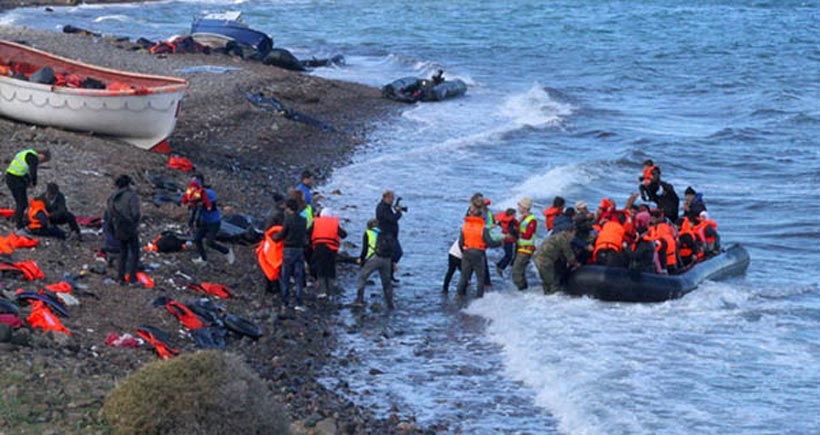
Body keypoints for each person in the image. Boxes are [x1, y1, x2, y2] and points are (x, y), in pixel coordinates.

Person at [455, 207, 501, 298]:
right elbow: (490, 242)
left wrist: (464, 252)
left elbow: (460, 243)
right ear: (481, 216)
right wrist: (500, 243)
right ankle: (479, 298)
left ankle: (459, 294)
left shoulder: (465, 226)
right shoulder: (483, 228)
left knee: (464, 276)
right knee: (480, 278)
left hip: (467, 252)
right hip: (478, 253)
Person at [105, 174, 141, 286]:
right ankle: (132, 278)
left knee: (123, 251)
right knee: (135, 252)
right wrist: (134, 223)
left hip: (118, 227)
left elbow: (108, 213)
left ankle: (120, 277)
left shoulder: (112, 196)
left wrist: (111, 227)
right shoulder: (131, 196)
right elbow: (135, 213)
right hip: (129, 226)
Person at [272, 198, 307, 309]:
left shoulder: (288, 220)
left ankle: (285, 300)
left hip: (288, 249)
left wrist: (274, 237)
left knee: (285, 275)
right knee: (298, 275)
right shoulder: (303, 220)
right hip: (300, 249)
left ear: (289, 208)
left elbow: (282, 234)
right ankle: (299, 301)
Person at [6, 148, 50, 230]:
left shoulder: (26, 153)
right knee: (22, 203)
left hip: (11, 177)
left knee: (20, 202)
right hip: (15, 180)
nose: (40, 162)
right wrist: (33, 182)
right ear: (42, 155)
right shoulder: (33, 157)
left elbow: (23, 170)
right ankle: (19, 225)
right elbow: (33, 171)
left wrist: (28, 181)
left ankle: (15, 218)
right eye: (43, 160)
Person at [191, 183, 235, 265]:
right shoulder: (196, 193)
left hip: (214, 222)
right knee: (197, 238)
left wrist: (202, 204)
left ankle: (227, 251)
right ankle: (203, 259)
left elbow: (213, 205)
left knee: (210, 242)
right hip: (204, 221)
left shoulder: (209, 193)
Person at [309, 207, 347, 296]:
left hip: (318, 247)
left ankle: (322, 291)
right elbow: (343, 235)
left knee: (320, 268)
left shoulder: (316, 222)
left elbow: (308, 232)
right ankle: (331, 289)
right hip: (330, 249)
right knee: (330, 268)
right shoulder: (334, 224)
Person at [354, 231, 396, 310]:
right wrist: (393, 262)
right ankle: (390, 304)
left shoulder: (369, 233)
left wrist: (361, 258)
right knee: (386, 282)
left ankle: (359, 300)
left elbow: (365, 249)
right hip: (387, 259)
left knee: (362, 277)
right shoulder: (389, 233)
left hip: (375, 257)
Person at [534, 224, 580, 294]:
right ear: (569, 232)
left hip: (539, 258)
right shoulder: (564, 239)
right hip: (545, 260)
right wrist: (576, 264)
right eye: (573, 234)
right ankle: (553, 301)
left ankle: (546, 298)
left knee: (546, 282)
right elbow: (569, 255)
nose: (573, 237)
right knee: (553, 283)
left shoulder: (557, 236)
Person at [376, 190, 403, 283]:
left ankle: (389, 274)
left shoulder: (386, 207)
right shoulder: (383, 208)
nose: (392, 200)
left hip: (390, 235)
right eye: (391, 198)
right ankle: (388, 272)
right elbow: (392, 219)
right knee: (397, 253)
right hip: (387, 236)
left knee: (393, 254)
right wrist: (398, 212)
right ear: (386, 197)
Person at [511, 197, 538, 290]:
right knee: (520, 270)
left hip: (526, 248)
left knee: (516, 271)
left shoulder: (531, 220)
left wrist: (517, 232)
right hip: (521, 247)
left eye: (520, 206)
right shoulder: (523, 218)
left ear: (525, 208)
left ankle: (522, 289)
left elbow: (528, 235)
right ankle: (523, 288)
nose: (519, 208)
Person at [494, 207, 518, 277]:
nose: (515, 216)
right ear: (512, 215)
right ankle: (500, 267)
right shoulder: (511, 222)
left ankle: (500, 265)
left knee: (508, 254)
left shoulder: (503, 221)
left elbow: (498, 224)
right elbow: (512, 231)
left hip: (504, 238)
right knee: (509, 255)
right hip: (510, 239)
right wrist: (517, 235)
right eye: (514, 214)